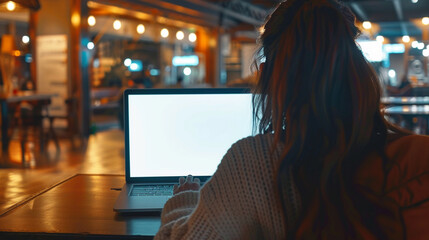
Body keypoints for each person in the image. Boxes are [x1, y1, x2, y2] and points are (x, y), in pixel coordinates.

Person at [154, 0, 429, 239]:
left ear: (268, 76)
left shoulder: (254, 163)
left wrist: (184, 200)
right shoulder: (419, 154)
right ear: (357, 71)